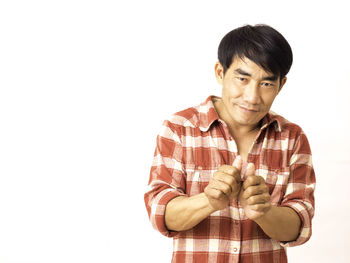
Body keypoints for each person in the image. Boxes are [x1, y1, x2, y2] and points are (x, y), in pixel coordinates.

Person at [144, 24, 315, 263]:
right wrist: (208, 201)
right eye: (242, 78)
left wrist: (264, 212)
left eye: (266, 83)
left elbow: (300, 226)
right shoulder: (179, 128)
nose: (252, 97)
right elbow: (159, 212)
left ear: (281, 85)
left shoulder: (292, 138)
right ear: (220, 72)